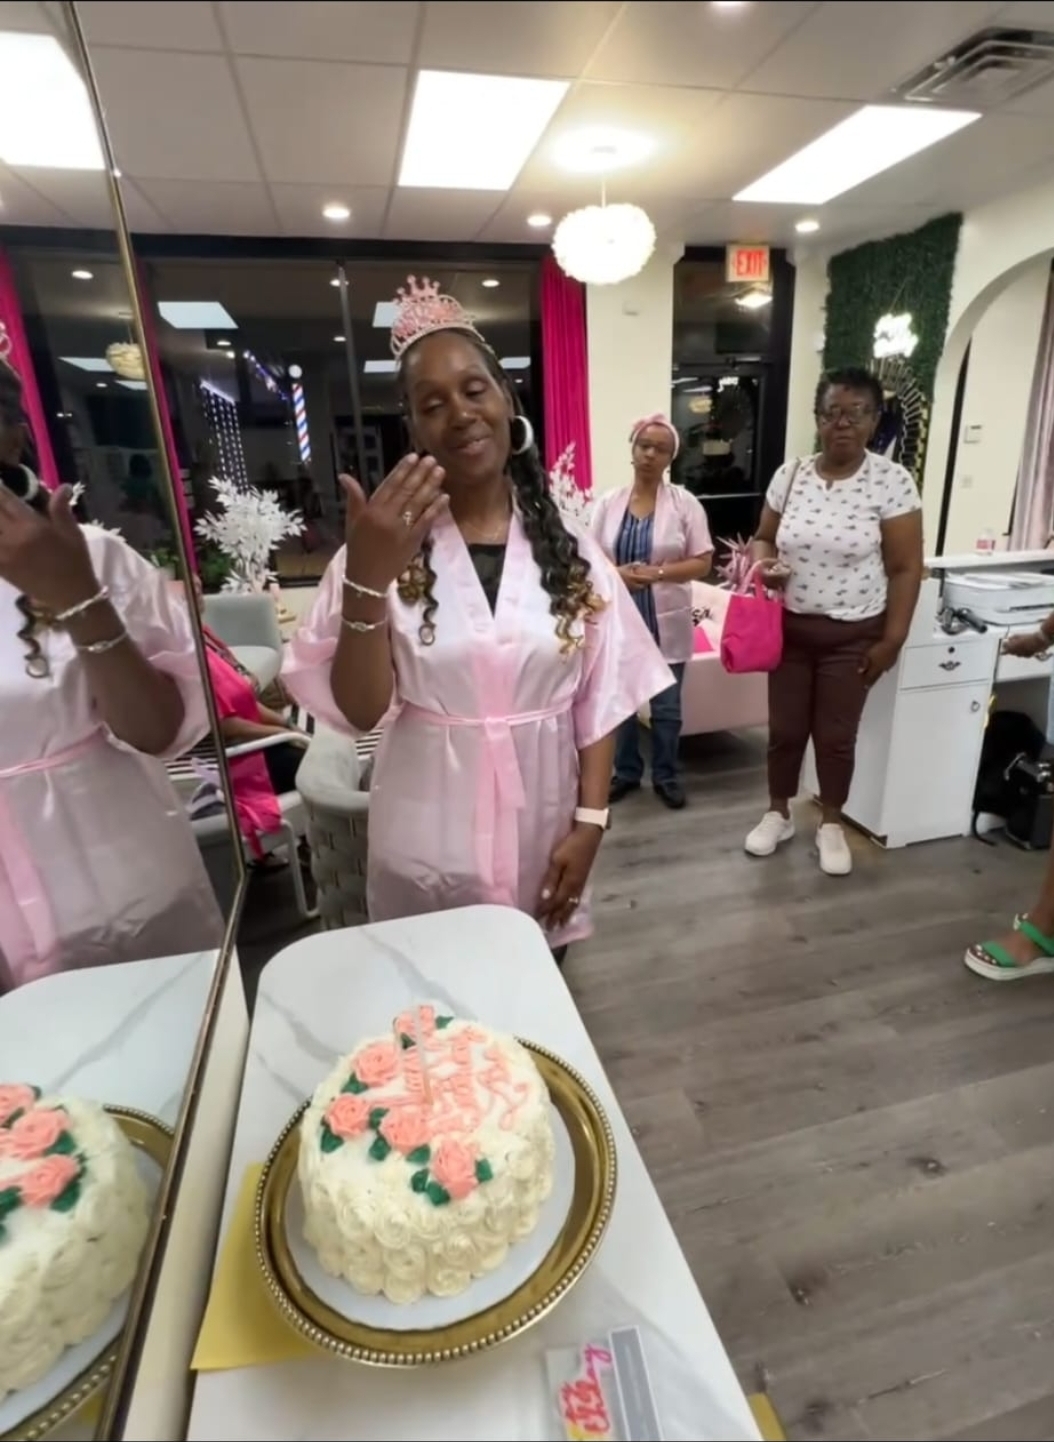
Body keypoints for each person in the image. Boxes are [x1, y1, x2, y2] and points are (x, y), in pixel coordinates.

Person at [283, 276, 672, 953]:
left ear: (505, 401)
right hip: (425, 836)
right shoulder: (379, 550)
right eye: (432, 404)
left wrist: (591, 823)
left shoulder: (572, 551)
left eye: (473, 389)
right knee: (434, 1028)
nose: (459, 413)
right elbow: (362, 710)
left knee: (531, 1020)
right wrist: (369, 580)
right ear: (414, 429)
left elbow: (600, 701)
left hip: (544, 832)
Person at [0, 357, 223, 990]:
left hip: (117, 873)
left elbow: (162, 730)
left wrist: (75, 598)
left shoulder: (98, 557)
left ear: (13, 431)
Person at [745, 366, 924, 876]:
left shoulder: (892, 483)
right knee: (784, 730)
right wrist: (766, 563)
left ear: (874, 419)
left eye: (856, 413)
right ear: (817, 418)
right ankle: (778, 812)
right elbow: (763, 536)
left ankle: (830, 822)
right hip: (791, 630)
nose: (842, 423)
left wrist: (893, 640)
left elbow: (906, 567)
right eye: (832, 413)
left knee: (835, 735)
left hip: (853, 634)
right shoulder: (792, 474)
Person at [591, 414, 713, 809]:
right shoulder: (609, 503)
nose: (649, 454)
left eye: (660, 449)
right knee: (622, 704)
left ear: (670, 457)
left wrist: (657, 572)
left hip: (666, 621)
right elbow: (590, 560)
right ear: (632, 450)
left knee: (666, 705)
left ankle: (666, 775)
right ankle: (626, 773)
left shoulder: (685, 505)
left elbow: (702, 562)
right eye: (643, 445)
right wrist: (618, 575)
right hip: (621, 620)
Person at [189, 574, 307, 856]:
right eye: (190, 591)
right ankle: (318, 847)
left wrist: (286, 723)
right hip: (242, 756)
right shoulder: (188, 656)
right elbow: (225, 725)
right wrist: (281, 733)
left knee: (317, 749)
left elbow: (245, 700)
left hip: (258, 741)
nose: (199, 593)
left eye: (199, 587)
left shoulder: (206, 638)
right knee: (318, 771)